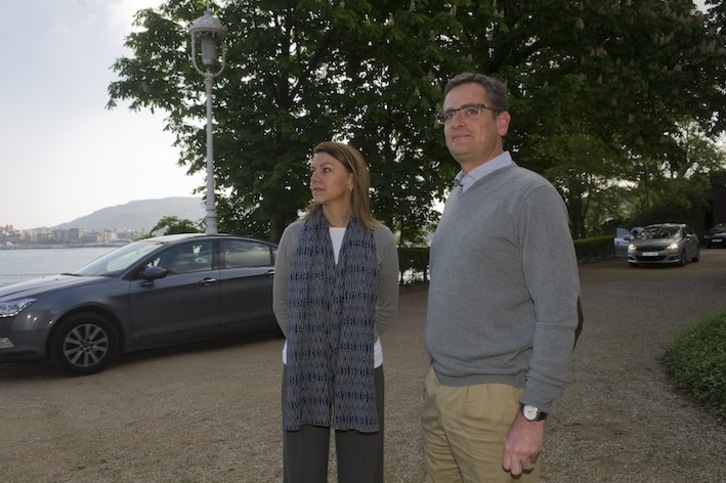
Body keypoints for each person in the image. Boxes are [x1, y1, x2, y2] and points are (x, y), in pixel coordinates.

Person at [422, 72, 582, 482]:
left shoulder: (530, 195)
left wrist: (532, 414)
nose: (456, 121)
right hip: (439, 389)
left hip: (493, 399)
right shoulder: (459, 195)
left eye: (471, 111)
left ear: (502, 122)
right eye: (449, 114)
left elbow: (560, 311)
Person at [273, 141, 400, 483]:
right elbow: (281, 304)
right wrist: (310, 340)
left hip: (360, 364)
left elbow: (387, 305)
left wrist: (353, 342)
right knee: (302, 467)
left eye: (326, 170)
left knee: (362, 466)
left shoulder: (380, 238)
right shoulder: (294, 236)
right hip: (303, 361)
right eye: (313, 170)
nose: (315, 177)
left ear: (351, 179)